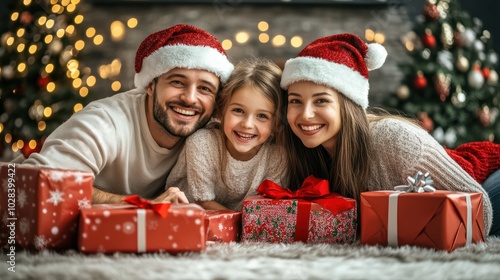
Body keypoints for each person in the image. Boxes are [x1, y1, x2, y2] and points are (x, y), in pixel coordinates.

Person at [279, 33, 500, 236]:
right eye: (295, 101)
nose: (305, 115)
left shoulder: (395, 140)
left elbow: (479, 209)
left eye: (321, 100)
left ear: (348, 104)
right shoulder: (304, 151)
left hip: (487, 182)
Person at [21, 24, 234, 204]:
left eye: (205, 88)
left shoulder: (211, 133)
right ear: (150, 85)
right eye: (177, 82)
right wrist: (140, 205)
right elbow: (37, 181)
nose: (189, 98)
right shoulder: (105, 121)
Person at [166, 58, 288, 210]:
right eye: (238, 110)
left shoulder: (278, 157)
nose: (247, 124)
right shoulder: (202, 143)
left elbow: (265, 208)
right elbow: (202, 203)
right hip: (186, 219)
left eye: (262, 116)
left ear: (276, 123)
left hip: (237, 227)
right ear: (222, 111)